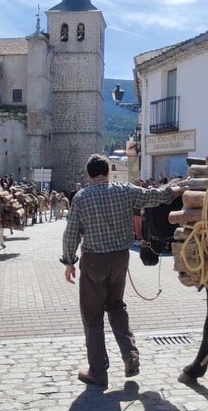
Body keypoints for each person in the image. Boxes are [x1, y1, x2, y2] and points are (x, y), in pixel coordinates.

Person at [60, 154, 184, 386]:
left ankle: (98, 370)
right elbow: (154, 197)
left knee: (93, 316)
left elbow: (71, 233)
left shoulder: (81, 198)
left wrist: (69, 261)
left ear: (88, 175)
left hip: (93, 261)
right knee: (117, 307)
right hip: (120, 258)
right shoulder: (125, 190)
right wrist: (176, 188)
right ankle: (130, 356)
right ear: (108, 171)